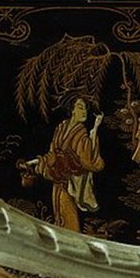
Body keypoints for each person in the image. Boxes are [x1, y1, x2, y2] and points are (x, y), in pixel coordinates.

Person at [22, 98, 104, 232]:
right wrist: (35, 162)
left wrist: (95, 128)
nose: (84, 111)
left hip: (70, 183)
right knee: (59, 217)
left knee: (68, 218)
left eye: (85, 108)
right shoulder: (61, 128)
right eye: (80, 107)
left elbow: (86, 160)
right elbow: (52, 154)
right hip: (58, 181)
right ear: (72, 110)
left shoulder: (81, 133)